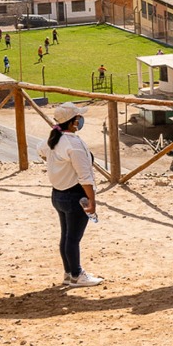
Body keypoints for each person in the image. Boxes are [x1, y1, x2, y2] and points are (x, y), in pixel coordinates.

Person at [45, 103, 102, 287]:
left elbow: (41, 151)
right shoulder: (74, 144)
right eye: (78, 118)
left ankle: (69, 273)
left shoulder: (55, 139)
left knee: (66, 236)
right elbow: (85, 176)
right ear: (73, 122)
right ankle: (77, 274)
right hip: (75, 196)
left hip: (58, 194)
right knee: (73, 238)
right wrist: (92, 201)